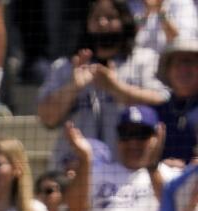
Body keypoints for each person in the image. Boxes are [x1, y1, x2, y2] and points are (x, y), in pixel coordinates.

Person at [37, 0, 168, 169]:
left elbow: (162, 102)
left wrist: (116, 88)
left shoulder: (145, 60)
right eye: (96, 17)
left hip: (126, 175)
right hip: (73, 172)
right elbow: (47, 118)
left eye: (110, 17)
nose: (102, 23)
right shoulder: (65, 67)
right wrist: (73, 87)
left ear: (124, 21)